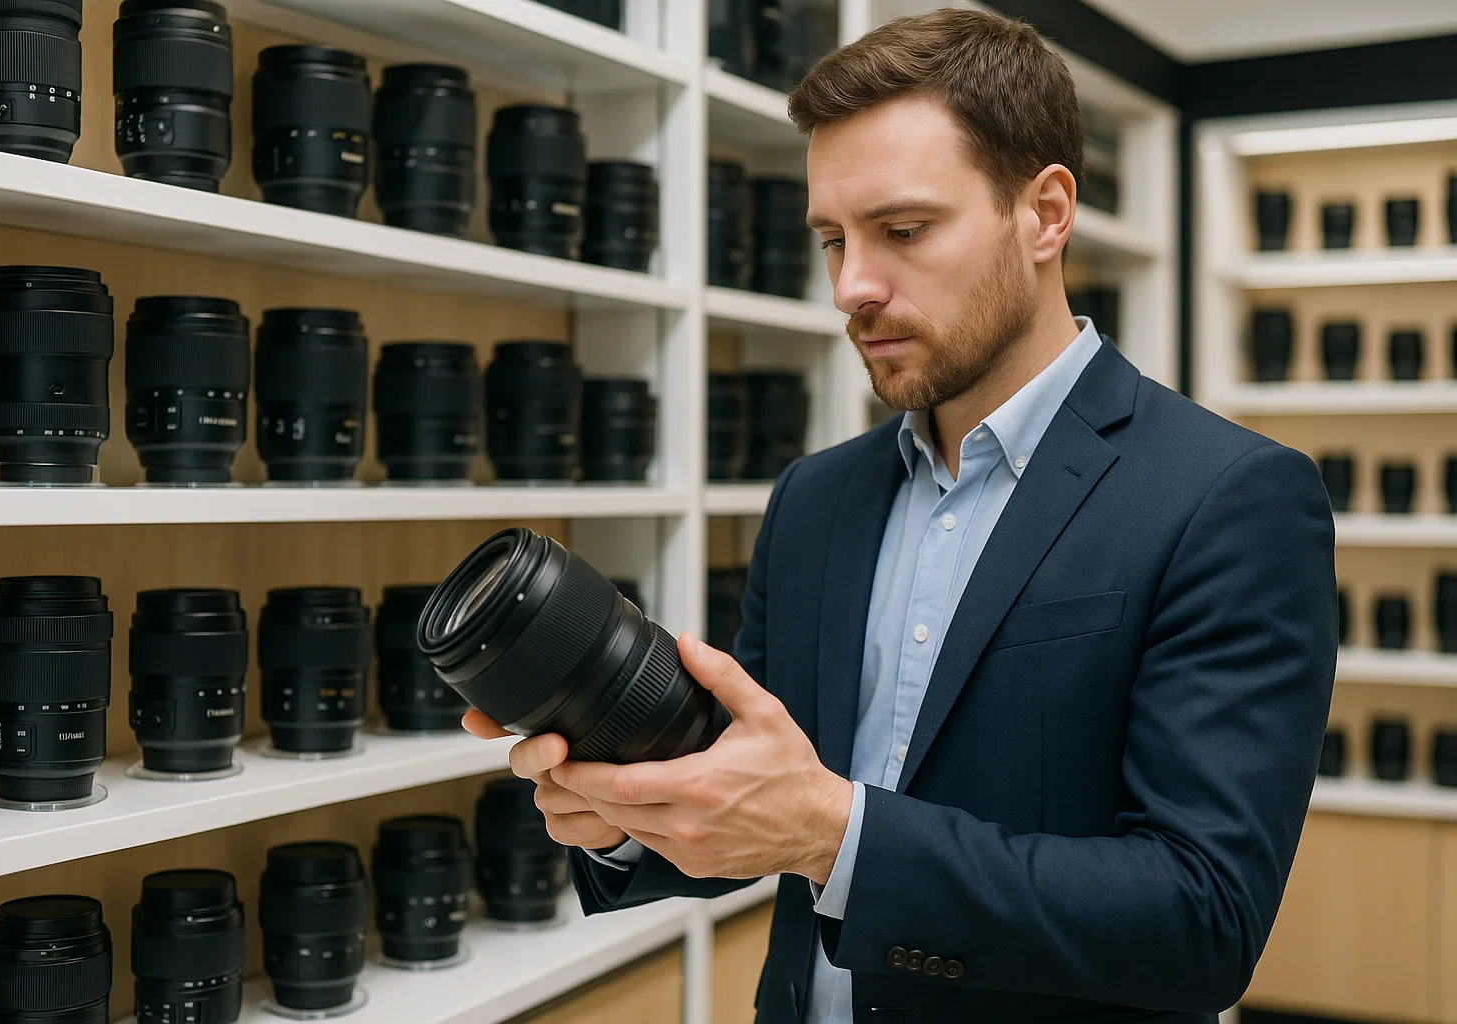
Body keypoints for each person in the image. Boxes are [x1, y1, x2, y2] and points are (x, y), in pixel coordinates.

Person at [464, 8, 1337, 1023]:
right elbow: (756, 811)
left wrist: (835, 835)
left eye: (903, 231)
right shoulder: (812, 499)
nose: (852, 287)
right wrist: (624, 815)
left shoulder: (1230, 497)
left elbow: (1202, 920)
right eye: (833, 238)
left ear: (1046, 212)